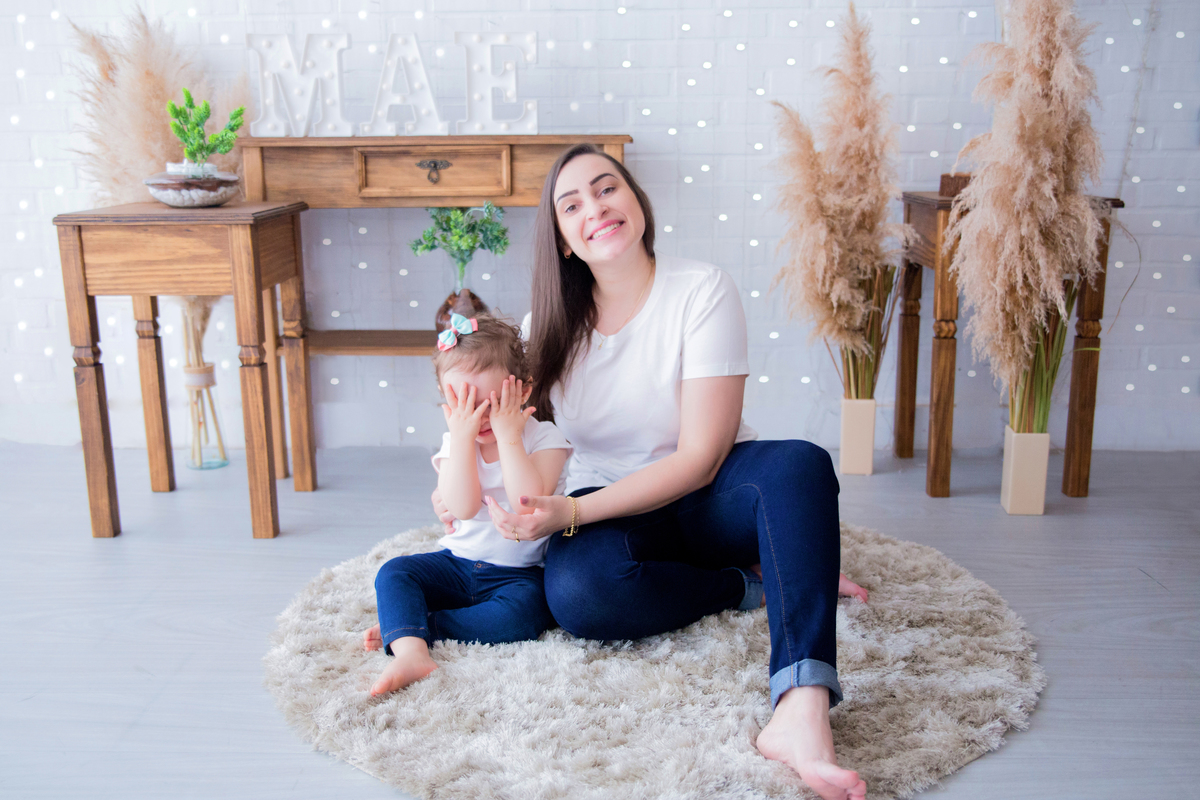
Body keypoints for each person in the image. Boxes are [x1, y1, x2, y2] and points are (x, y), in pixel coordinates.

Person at [432, 144, 868, 800]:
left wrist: (571, 513)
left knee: (799, 465)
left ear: (636, 202)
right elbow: (513, 435)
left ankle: (800, 708)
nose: (595, 210)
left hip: (709, 495)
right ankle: (748, 582)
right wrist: (468, 470)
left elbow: (700, 459)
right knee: (578, 596)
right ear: (563, 239)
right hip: (611, 505)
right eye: (572, 205)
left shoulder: (701, 288)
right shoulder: (540, 328)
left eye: (607, 189)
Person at [364, 313, 572, 698]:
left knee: (526, 615)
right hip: (455, 563)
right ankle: (411, 653)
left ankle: (421, 626)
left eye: (490, 403)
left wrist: (510, 436)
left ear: (523, 391)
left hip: (518, 574)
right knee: (395, 572)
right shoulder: (455, 442)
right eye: (463, 405)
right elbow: (461, 507)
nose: (477, 417)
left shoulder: (544, 438)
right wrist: (458, 442)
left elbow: (528, 504)